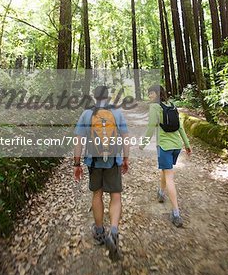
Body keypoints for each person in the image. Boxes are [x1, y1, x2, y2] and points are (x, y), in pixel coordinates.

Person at [73, 85, 129, 260]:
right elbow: (125, 138)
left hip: (94, 161)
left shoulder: (86, 114)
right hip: (113, 161)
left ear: (94, 97)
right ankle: (113, 231)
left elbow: (78, 140)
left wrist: (77, 164)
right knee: (116, 196)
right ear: (109, 98)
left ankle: (99, 231)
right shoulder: (117, 113)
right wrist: (126, 159)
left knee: (97, 194)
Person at [139, 85, 191, 227]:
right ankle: (161, 193)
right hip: (176, 146)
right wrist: (186, 144)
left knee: (169, 176)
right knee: (165, 170)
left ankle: (176, 213)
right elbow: (180, 127)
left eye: (151, 93)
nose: (149, 96)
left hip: (164, 146)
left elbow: (150, 127)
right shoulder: (172, 105)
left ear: (156, 94)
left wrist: (142, 144)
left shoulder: (155, 108)